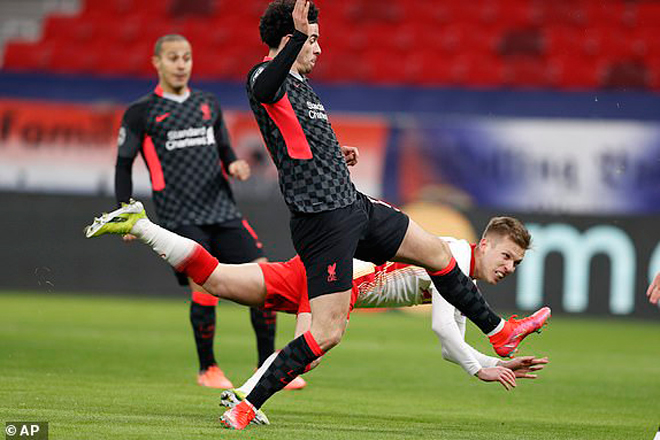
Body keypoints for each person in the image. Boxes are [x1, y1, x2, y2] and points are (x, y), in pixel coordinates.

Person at [210, 0, 551, 428]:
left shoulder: (302, 86)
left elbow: (301, 141)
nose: (319, 48)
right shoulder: (264, 75)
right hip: (323, 220)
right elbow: (263, 93)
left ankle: (500, 331)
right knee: (326, 333)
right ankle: (248, 403)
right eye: (311, 39)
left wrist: (338, 152)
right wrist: (297, 36)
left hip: (353, 205)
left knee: (438, 254)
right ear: (288, 40)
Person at [85, 201, 551, 426]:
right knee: (319, 342)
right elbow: (446, 336)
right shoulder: (448, 261)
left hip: (321, 269)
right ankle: (246, 400)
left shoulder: (459, 278)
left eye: (516, 263)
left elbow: (454, 343)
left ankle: (142, 225)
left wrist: (491, 364)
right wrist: (483, 368)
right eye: (507, 256)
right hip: (335, 280)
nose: (508, 267)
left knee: (219, 280)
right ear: (484, 244)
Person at [113, 34, 300, 390]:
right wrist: (126, 212)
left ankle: (266, 365)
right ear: (157, 62)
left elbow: (225, 147)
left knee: (265, 277)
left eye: (186, 57)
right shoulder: (141, 112)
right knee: (205, 285)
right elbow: (124, 165)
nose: (181, 64)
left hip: (222, 209)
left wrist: (233, 165)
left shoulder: (207, 103)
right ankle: (208, 369)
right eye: (173, 58)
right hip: (180, 215)